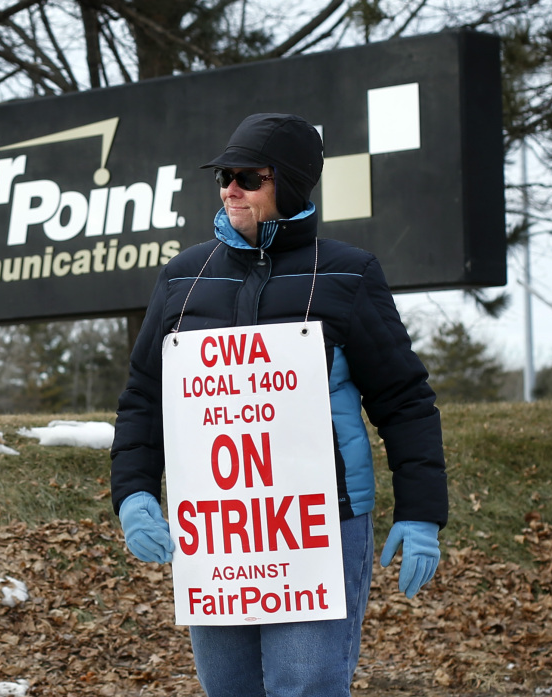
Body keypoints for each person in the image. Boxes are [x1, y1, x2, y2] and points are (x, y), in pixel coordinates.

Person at [110, 113, 448, 697]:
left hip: (320, 523)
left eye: (248, 176)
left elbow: (405, 401)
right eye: (223, 175)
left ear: (287, 183)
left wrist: (421, 512)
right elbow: (144, 397)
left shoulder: (350, 273)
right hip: (217, 529)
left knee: (305, 688)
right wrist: (134, 491)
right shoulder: (182, 278)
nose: (229, 188)